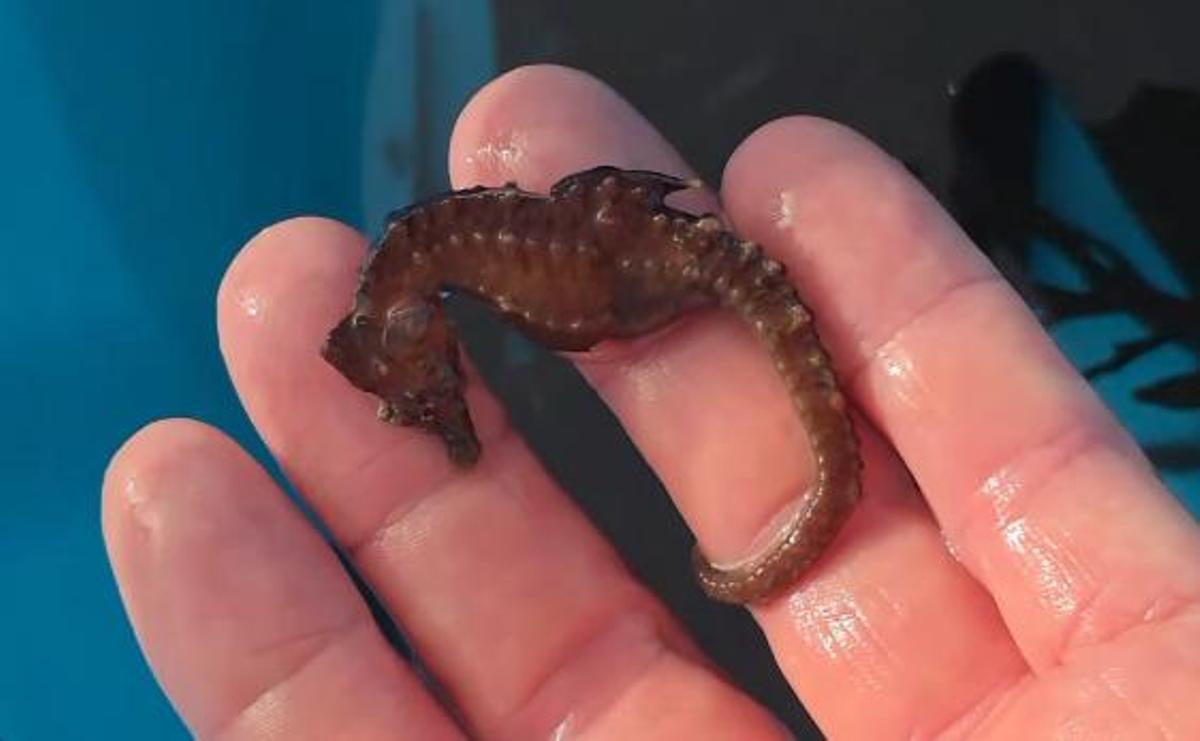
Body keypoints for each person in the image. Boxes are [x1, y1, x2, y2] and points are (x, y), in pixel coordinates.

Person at [102, 65, 1200, 739]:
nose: (437, 408)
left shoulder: (449, 270)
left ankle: (1105, 342)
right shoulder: (441, 268)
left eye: (419, 385)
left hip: (630, 264)